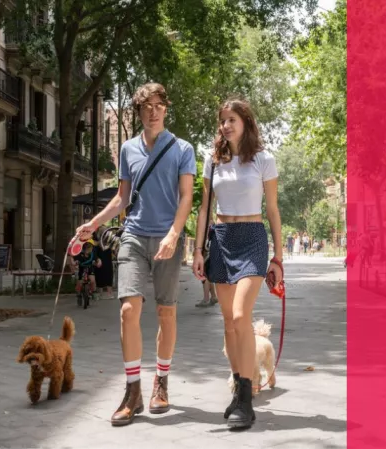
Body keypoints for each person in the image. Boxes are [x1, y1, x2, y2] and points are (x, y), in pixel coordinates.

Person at [75, 82, 196, 427]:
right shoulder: (128, 149)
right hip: (133, 236)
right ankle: (132, 390)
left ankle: (161, 381)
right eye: (147, 107)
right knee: (129, 309)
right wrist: (93, 224)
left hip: (168, 240)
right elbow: (122, 198)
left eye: (159, 105)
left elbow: (186, 196)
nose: (153, 111)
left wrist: (175, 234)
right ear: (139, 112)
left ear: (165, 109)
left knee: (165, 312)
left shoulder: (182, 148)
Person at [192, 98, 283, 429]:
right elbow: (204, 209)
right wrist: (198, 250)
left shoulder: (263, 160)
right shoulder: (213, 161)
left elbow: (272, 209)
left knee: (242, 316)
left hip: (253, 238)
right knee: (229, 322)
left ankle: (246, 397)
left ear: (245, 122)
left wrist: (279, 257)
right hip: (221, 239)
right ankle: (239, 387)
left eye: (232, 119)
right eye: (223, 121)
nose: (226, 125)